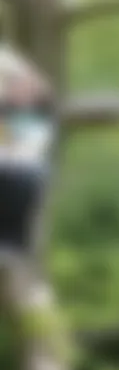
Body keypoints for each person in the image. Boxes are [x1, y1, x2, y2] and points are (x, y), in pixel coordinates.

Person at [0, 43, 53, 255]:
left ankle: (11, 246)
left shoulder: (31, 115)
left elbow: (27, 153)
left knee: (30, 175)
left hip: (15, 173)